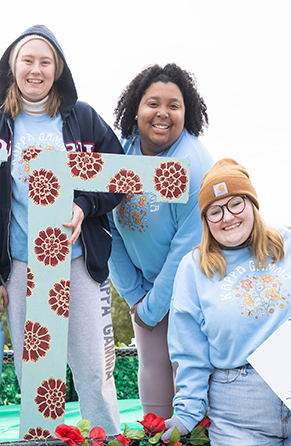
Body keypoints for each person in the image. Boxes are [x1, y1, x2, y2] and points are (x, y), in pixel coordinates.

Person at [0, 25, 126, 434]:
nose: (36, 70)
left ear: (58, 69)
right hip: (21, 265)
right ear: (13, 66)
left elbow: (121, 176)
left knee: (93, 367)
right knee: (33, 369)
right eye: (28, 60)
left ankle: (105, 439)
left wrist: (85, 202)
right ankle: (44, 439)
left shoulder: (83, 119)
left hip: (78, 260)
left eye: (45, 62)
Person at [164, 159, 291, 445]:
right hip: (239, 408)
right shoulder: (194, 267)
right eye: (215, 210)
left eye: (235, 203)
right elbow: (189, 349)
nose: (227, 217)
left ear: (252, 204)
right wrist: (186, 413)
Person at [107, 63, 214, 417]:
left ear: (187, 113)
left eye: (174, 105)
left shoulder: (193, 164)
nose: (163, 113)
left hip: (194, 286)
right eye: (153, 103)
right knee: (151, 364)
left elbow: (188, 245)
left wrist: (152, 307)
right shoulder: (119, 153)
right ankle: (156, 433)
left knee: (189, 369)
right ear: (136, 108)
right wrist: (136, 295)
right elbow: (106, 225)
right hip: (144, 288)